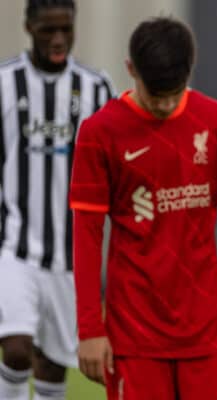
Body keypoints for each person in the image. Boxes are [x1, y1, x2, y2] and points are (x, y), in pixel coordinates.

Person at [69, 17, 217, 400]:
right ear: (131, 70)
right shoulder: (100, 133)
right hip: (133, 336)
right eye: (155, 94)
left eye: (174, 92)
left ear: (189, 73)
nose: (165, 104)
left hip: (207, 329)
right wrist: (89, 330)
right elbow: (85, 235)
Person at [0, 1, 114, 399]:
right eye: (49, 30)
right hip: (13, 246)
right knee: (15, 349)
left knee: (52, 364)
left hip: (71, 255)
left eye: (66, 28)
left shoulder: (97, 87)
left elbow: (113, 161)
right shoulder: (4, 82)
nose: (59, 39)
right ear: (29, 27)